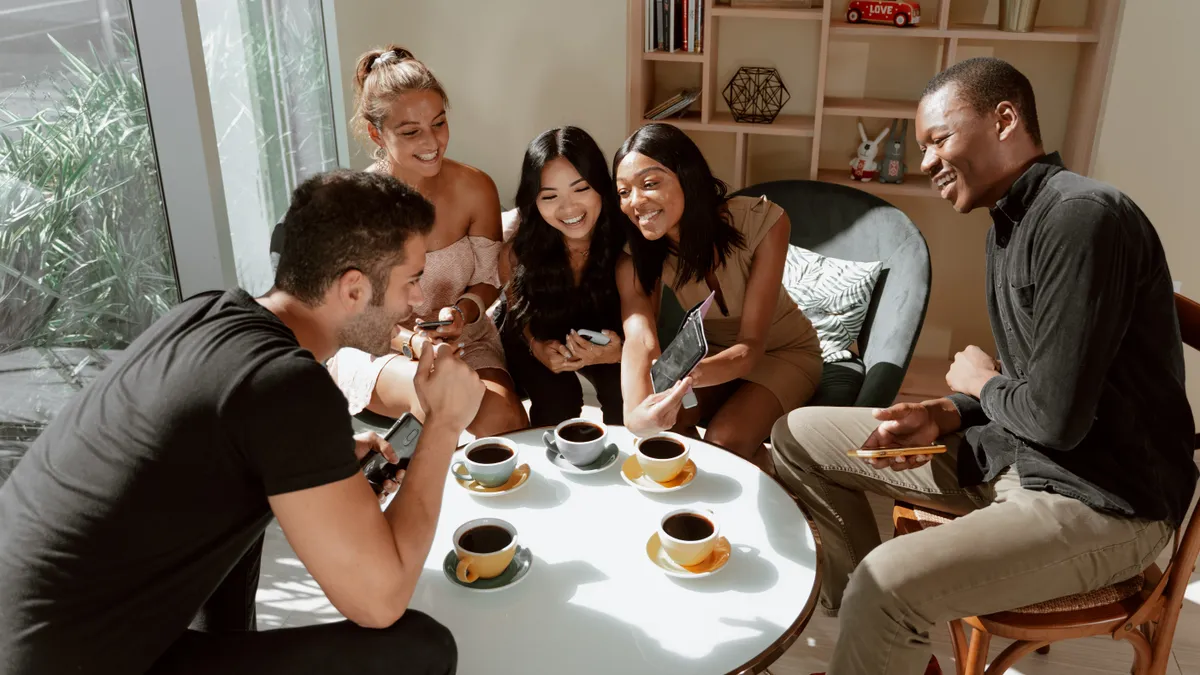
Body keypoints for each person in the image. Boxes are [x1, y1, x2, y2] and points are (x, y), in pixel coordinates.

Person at [769, 57, 1196, 675]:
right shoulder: (1008, 223)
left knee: (889, 585)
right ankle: (878, 643)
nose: (925, 162)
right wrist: (947, 411)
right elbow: (1043, 380)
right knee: (795, 435)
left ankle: (881, 618)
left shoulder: (1083, 219)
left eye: (938, 139)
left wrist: (978, 383)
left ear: (1004, 119)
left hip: (1102, 501)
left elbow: (1054, 418)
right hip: (1013, 453)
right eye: (922, 147)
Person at [0, 170, 485, 675]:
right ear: (354, 289)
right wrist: (444, 423)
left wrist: (316, 466)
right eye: (411, 281)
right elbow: (381, 601)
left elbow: (217, 455)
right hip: (75, 659)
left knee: (247, 501)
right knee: (420, 651)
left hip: (30, 631)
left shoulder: (209, 313)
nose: (416, 302)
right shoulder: (286, 385)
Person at [325, 45, 527, 436]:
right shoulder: (358, 207)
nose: (432, 141)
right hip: (380, 346)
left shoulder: (476, 188)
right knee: (446, 406)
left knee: (508, 419)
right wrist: (413, 344)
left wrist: (464, 312)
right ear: (376, 133)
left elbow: (488, 280)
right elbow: (352, 316)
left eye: (438, 123)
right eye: (411, 132)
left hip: (464, 337)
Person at [613, 123, 823, 466]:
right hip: (708, 356)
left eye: (650, 183)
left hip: (784, 352)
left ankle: (757, 480)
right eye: (623, 192)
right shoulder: (636, 255)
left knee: (723, 441)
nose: (635, 202)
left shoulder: (762, 222)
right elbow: (639, 338)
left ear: (688, 177)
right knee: (670, 431)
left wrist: (686, 379)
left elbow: (751, 346)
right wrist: (636, 416)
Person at [497, 126, 626, 427]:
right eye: (550, 196)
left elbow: (644, 322)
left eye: (581, 189)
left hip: (606, 335)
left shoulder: (628, 243)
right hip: (538, 331)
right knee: (558, 401)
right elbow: (516, 313)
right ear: (534, 200)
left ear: (601, 187)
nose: (569, 209)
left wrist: (619, 352)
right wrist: (535, 346)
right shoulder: (518, 251)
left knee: (626, 393)